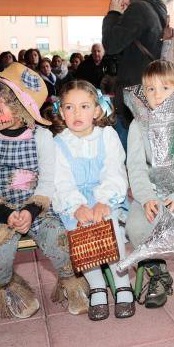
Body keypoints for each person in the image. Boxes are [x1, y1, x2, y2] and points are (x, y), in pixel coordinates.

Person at [0, 63, 87, 319]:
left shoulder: (41, 138)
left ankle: (71, 282)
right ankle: (10, 286)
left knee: (58, 239)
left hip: (36, 205)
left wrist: (31, 210)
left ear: (20, 110)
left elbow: (47, 181)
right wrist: (4, 213)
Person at [51, 80, 134, 320]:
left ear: (97, 110)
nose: (77, 113)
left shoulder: (107, 136)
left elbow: (115, 171)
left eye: (84, 106)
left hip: (106, 198)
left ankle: (121, 283)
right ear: (61, 111)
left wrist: (103, 200)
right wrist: (77, 206)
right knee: (82, 235)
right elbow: (61, 181)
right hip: (75, 202)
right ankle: (96, 285)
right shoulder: (59, 143)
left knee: (110, 227)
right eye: (69, 107)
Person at [123, 60, 174, 308]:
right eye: (150, 89)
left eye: (165, 88)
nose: (157, 96)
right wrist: (146, 197)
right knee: (135, 226)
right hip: (151, 191)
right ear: (142, 93)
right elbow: (135, 166)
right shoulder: (138, 123)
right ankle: (157, 272)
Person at [102, 0, 168, 125]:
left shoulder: (138, 8)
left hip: (136, 95)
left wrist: (113, 14)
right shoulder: (152, 7)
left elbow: (111, 45)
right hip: (149, 90)